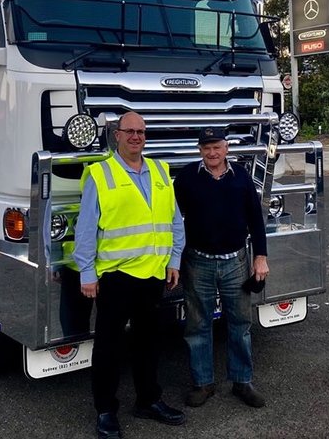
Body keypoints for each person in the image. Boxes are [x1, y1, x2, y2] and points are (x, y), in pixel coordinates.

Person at [74, 112, 186, 439]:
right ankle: (106, 411)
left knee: (148, 342)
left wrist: (174, 260)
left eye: (141, 131)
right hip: (116, 276)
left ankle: (148, 400)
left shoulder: (160, 171)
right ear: (117, 135)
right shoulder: (100, 174)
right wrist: (87, 273)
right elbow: (85, 229)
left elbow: (174, 221)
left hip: (154, 274)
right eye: (130, 131)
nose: (136, 136)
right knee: (108, 346)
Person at [173, 126, 269, 409]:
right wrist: (173, 258)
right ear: (199, 150)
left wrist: (260, 256)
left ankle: (242, 381)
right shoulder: (187, 178)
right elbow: (173, 220)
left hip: (235, 262)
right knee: (197, 325)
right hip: (197, 262)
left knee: (240, 323)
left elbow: (256, 219)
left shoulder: (241, 177)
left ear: (226, 148)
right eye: (206, 148)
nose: (212, 153)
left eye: (217, 147)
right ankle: (203, 383)